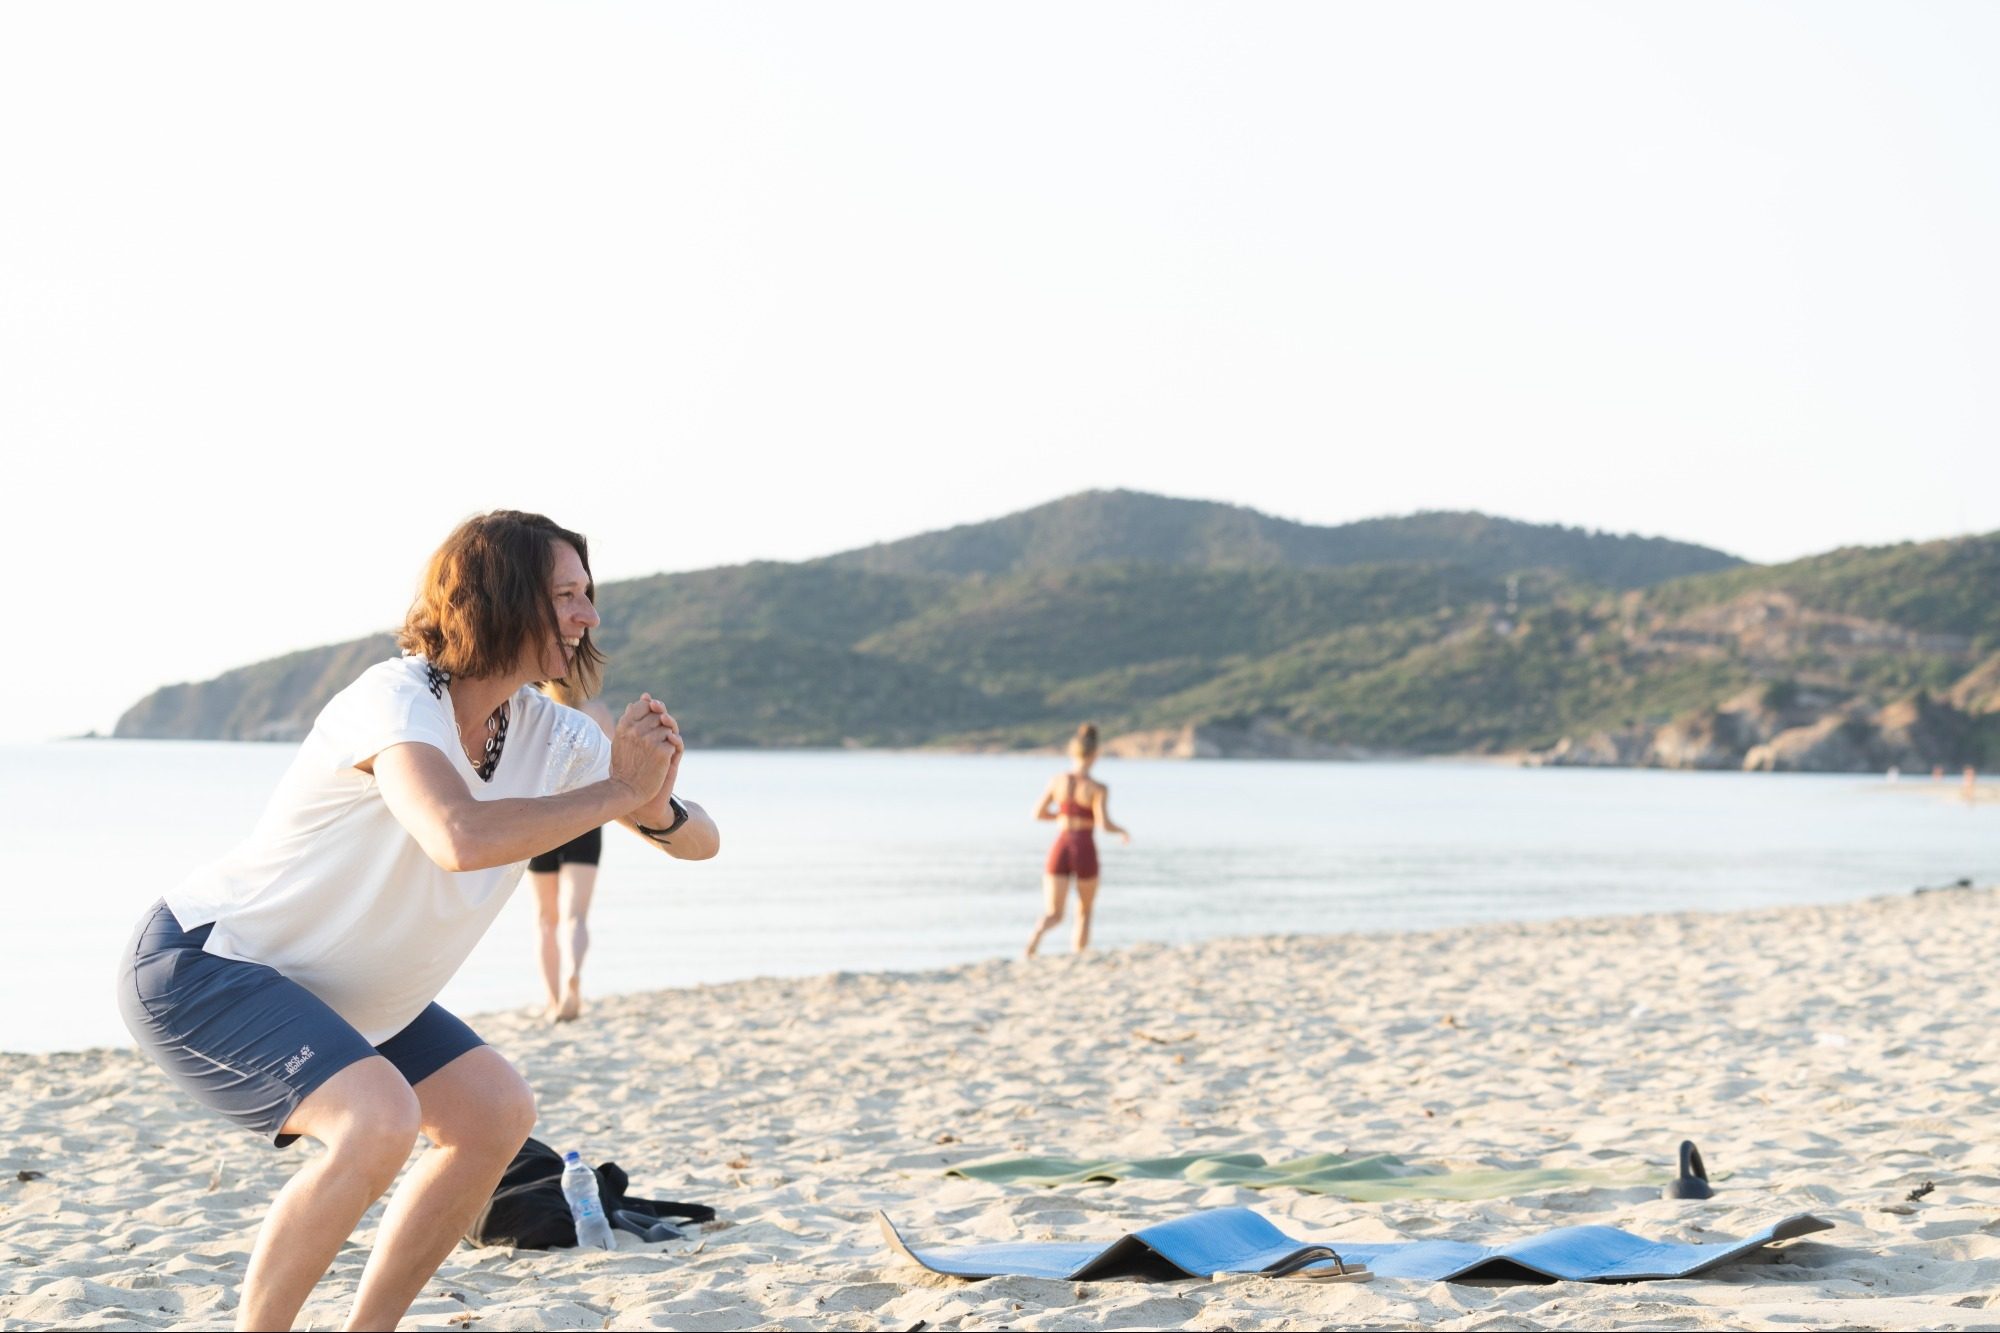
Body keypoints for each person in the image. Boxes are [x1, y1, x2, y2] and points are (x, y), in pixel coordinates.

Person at [115, 511, 720, 1332]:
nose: (589, 615)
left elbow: (699, 841)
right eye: (568, 595)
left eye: (589, 594)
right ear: (503, 599)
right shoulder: (395, 700)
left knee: (495, 1113)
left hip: (346, 991)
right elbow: (456, 836)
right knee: (379, 1119)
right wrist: (617, 791)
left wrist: (654, 792)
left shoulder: (551, 731)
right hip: (209, 964)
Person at [528, 695, 613, 1023]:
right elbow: (614, 770)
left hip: (542, 818)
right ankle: (572, 979)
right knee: (576, 915)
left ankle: (552, 1000)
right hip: (586, 819)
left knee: (546, 919)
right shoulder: (597, 712)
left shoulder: (535, 710)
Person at [1024, 723, 1130, 958]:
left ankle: (1035, 939)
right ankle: (1078, 954)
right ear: (1095, 755)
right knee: (1084, 910)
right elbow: (1103, 824)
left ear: (1073, 752)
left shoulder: (1056, 781)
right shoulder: (1097, 788)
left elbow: (1038, 814)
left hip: (1060, 845)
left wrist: (1062, 816)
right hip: (1084, 847)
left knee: (1054, 913)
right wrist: (1122, 830)